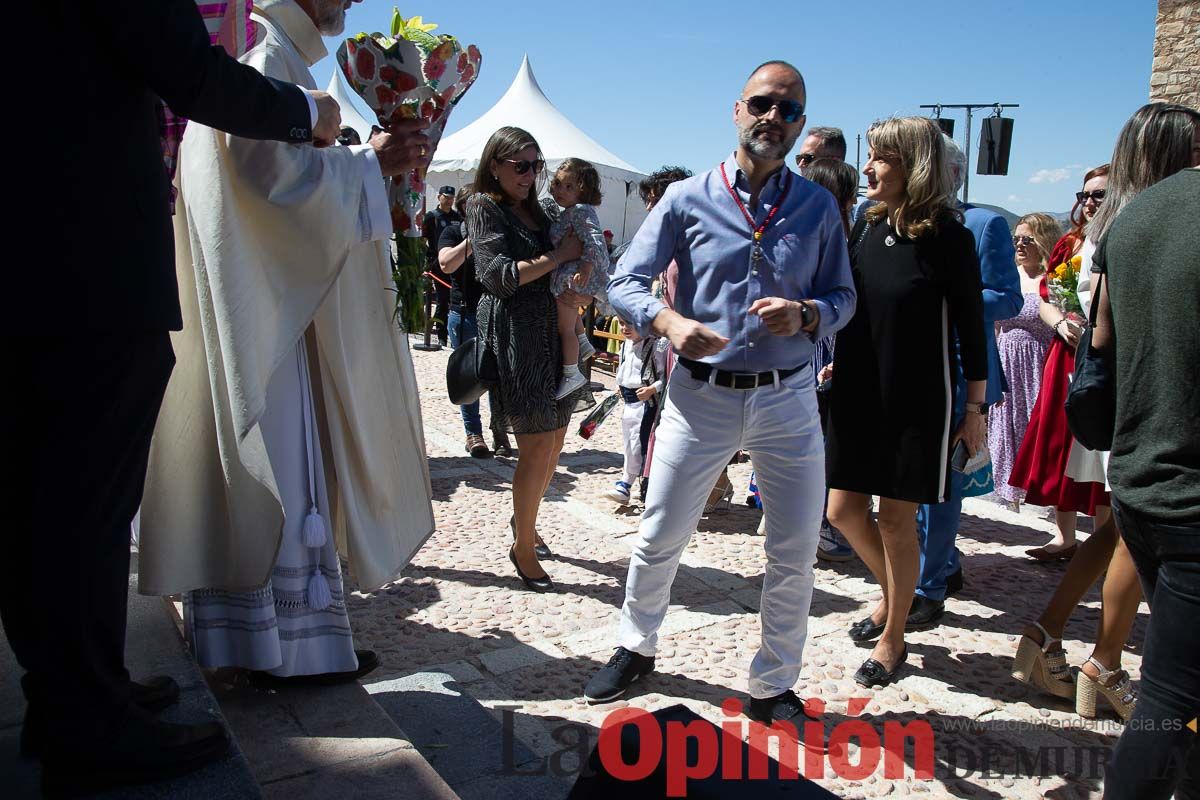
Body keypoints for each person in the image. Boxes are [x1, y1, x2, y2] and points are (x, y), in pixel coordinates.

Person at [7, 0, 351, 793]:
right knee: (77, 507)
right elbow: (186, 69)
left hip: (39, 251)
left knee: (41, 502)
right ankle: (85, 719)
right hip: (82, 261)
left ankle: (71, 690)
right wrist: (311, 111)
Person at [137, 0, 436, 689]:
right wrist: (371, 166)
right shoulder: (264, 52)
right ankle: (285, 653)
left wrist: (370, 166)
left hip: (277, 300)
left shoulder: (275, 52)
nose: (353, 1)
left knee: (286, 469)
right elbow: (265, 182)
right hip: (266, 313)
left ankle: (260, 645)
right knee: (282, 468)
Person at [585, 61, 855, 726]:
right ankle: (635, 645)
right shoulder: (686, 198)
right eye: (763, 103)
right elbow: (624, 281)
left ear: (799, 123)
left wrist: (809, 316)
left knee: (791, 549)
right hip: (700, 397)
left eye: (790, 110)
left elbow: (846, 297)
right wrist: (668, 321)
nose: (774, 118)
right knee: (659, 533)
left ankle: (773, 685)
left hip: (787, 398)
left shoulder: (818, 207)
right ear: (737, 110)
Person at [1012, 104, 1200, 746]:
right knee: (1124, 528)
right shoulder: (1150, 223)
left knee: (1119, 525)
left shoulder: (1122, 222)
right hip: (1150, 402)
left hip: (1118, 396)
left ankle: (1054, 635)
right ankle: (1104, 660)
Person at [825, 117, 987, 688]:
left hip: (919, 398)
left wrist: (976, 411)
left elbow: (972, 329)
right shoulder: (866, 227)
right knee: (841, 511)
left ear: (913, 165)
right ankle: (897, 595)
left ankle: (894, 635)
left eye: (881, 158)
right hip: (857, 389)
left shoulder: (949, 236)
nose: (867, 168)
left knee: (895, 520)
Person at [1098, 149, 1199, 800]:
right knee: (1170, 691)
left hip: (1138, 476)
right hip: (1190, 490)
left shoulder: (1136, 217)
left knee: (1182, 681)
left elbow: (1101, 339)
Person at [906, 135, 1022, 628]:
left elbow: (1008, 298)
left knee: (943, 486)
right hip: (909, 369)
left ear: (949, 174)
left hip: (959, 373)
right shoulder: (898, 223)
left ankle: (927, 586)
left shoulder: (984, 223)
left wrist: (949, 301)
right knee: (913, 486)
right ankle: (944, 565)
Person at [467, 127, 588, 591]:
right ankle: (521, 548)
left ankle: (527, 525)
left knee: (555, 440)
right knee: (536, 443)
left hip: (555, 335)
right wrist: (559, 257)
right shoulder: (484, 206)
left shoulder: (540, 209)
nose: (530, 174)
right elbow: (496, 277)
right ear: (494, 164)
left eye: (535, 165)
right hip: (518, 335)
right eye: (520, 165)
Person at [750, 155, 859, 561]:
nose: (848, 211)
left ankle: (802, 523)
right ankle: (812, 527)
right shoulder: (821, 236)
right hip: (808, 349)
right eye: (846, 202)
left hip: (820, 346)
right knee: (808, 443)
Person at [1008, 165, 1111, 560]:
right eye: (1083, 195)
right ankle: (1064, 535)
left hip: (1104, 356)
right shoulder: (1070, 244)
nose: (1088, 203)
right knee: (1058, 443)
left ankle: (1105, 541)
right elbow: (1048, 299)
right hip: (1066, 354)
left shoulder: (1121, 237)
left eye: (1098, 195)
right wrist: (1063, 322)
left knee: (1098, 451)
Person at [990, 213, 1062, 510]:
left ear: (1043, 241)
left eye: (1027, 239)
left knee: (1035, 427)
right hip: (1006, 361)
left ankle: (1041, 493)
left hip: (1037, 365)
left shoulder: (1055, 279)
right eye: (1016, 238)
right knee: (1004, 428)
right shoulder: (1008, 276)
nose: (1019, 245)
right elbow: (994, 325)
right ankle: (1008, 491)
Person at [440, 185, 510, 458]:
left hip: (496, 314)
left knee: (499, 377)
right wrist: (472, 241)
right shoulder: (453, 232)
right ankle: (474, 434)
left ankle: (499, 431)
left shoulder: (497, 235)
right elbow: (446, 264)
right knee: (470, 378)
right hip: (465, 313)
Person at [546, 158, 609, 399]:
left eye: (569, 186)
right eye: (559, 184)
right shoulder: (573, 211)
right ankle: (583, 342)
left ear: (583, 189)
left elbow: (594, 240)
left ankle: (572, 373)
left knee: (565, 328)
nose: (561, 191)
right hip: (571, 274)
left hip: (573, 276)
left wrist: (586, 265)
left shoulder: (581, 211)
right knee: (570, 321)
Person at [603, 318, 668, 506]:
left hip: (646, 404)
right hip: (629, 403)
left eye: (629, 324)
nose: (624, 328)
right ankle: (627, 483)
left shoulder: (657, 346)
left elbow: (668, 376)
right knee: (629, 443)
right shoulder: (626, 345)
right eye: (622, 324)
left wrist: (652, 389)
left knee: (640, 443)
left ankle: (632, 483)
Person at [424, 185, 462, 345]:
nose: (449, 201)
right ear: (439, 197)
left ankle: (450, 333)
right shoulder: (432, 216)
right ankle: (441, 336)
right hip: (437, 264)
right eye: (446, 197)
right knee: (442, 300)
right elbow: (423, 240)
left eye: (451, 198)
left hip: (454, 263)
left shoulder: (457, 217)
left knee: (453, 300)